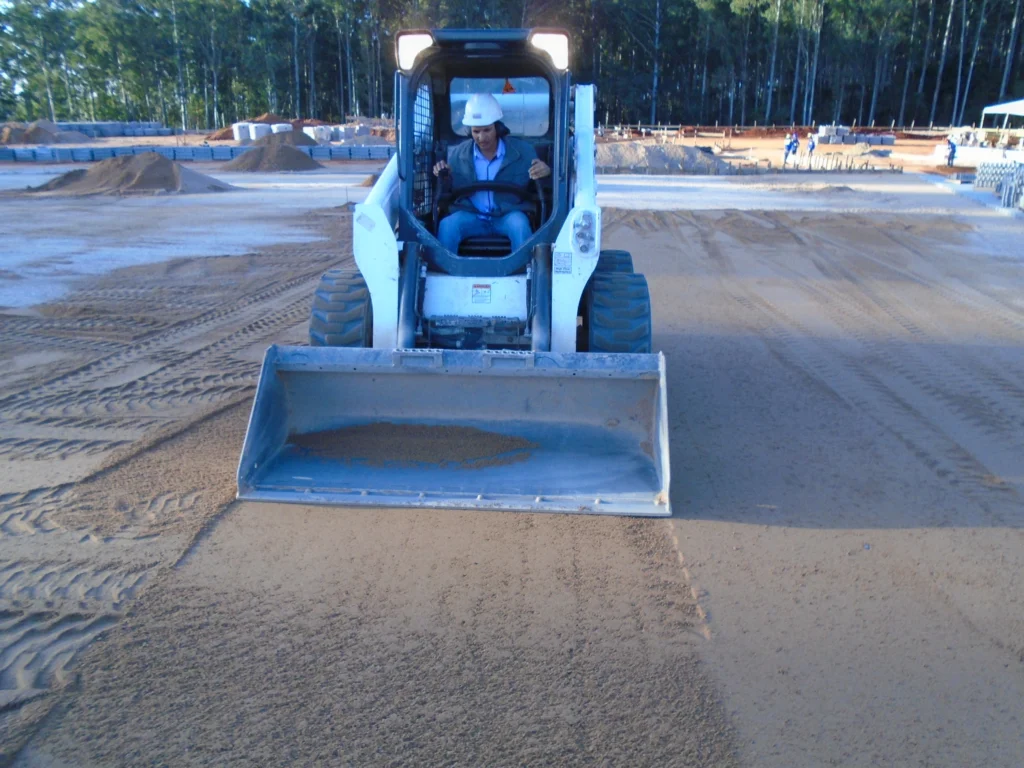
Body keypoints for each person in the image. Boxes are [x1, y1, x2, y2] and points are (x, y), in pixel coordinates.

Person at [433, 93, 551, 254]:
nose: (481, 137)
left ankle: (525, 273)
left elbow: (540, 187)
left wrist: (546, 172)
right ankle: (446, 273)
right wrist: (441, 173)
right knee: (447, 226)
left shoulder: (524, 152)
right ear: (469, 132)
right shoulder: (458, 155)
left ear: (498, 127)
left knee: (520, 225)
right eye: (476, 131)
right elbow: (448, 190)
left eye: (487, 130)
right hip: (471, 215)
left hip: (507, 215)